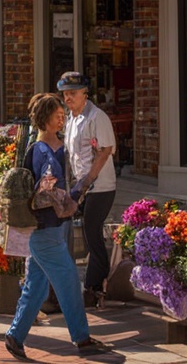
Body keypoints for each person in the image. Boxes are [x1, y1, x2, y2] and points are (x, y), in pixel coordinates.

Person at [4, 93, 109, 360]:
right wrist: (73, 198)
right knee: (70, 282)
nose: (62, 116)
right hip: (46, 229)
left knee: (36, 286)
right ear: (45, 119)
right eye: (57, 113)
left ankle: (15, 336)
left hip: (47, 229)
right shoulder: (43, 151)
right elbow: (46, 190)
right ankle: (82, 338)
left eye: (62, 112)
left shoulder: (51, 146)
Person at [57, 72, 118, 306]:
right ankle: (90, 283)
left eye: (73, 93)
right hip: (80, 185)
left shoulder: (97, 116)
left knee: (92, 233)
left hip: (99, 185)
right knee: (82, 233)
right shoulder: (71, 118)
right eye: (65, 94)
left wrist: (88, 180)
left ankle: (94, 286)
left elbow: (105, 151)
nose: (68, 98)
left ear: (85, 93)